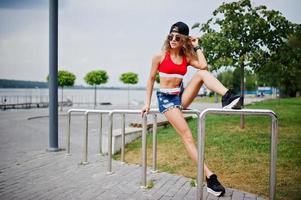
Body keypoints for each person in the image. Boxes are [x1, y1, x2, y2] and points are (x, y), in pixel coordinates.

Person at [141, 22, 243, 197]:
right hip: (166, 100)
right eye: (170, 36)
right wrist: (147, 103)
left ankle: (228, 97)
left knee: (202, 74)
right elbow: (150, 80)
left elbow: (204, 67)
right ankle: (209, 177)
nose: (173, 39)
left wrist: (197, 46)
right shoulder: (159, 57)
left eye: (178, 37)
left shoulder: (186, 57)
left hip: (179, 97)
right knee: (187, 136)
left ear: (184, 40)